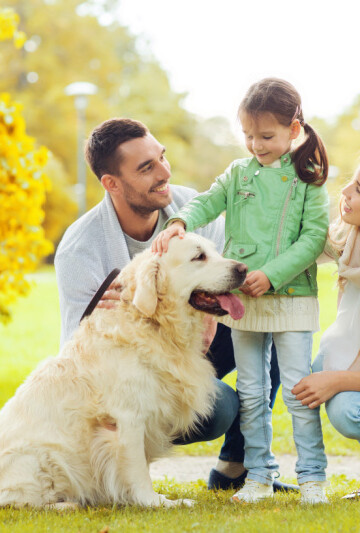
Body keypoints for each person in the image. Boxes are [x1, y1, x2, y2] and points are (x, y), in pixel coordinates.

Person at [54, 117, 294, 493]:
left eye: (161, 157)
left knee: (276, 327)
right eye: (146, 167)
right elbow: (77, 353)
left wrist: (208, 321)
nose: (163, 172)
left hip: (195, 329)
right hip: (133, 363)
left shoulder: (189, 206)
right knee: (220, 409)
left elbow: (220, 274)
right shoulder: (80, 249)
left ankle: (236, 467)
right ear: (111, 183)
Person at [152, 78, 330, 504]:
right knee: (251, 392)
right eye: (248, 136)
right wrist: (179, 222)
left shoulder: (309, 179)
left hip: (291, 300)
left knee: (296, 389)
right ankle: (258, 475)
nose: (256, 145)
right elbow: (206, 201)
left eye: (266, 136)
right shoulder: (238, 173)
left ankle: (312, 479)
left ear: (294, 128)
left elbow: (313, 239)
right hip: (245, 303)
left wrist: (271, 275)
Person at [292, 167, 360, 499]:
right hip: (341, 352)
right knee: (281, 371)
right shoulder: (348, 238)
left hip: (348, 372)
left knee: (350, 411)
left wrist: (336, 380)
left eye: (358, 188)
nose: (344, 190)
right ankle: (240, 467)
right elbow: (299, 247)